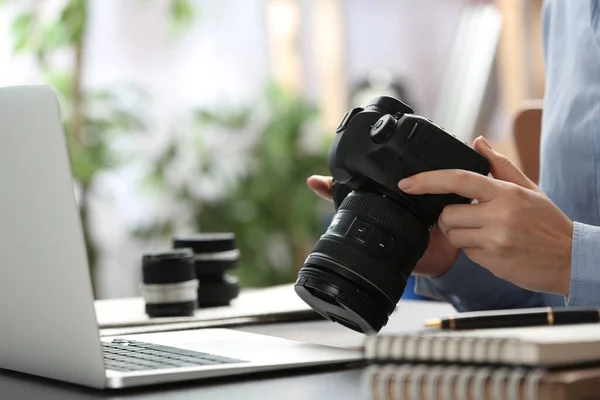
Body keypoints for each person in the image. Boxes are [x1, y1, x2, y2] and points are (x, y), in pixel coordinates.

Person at [307, 0, 600, 312]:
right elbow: (559, 299)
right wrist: (455, 258)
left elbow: (566, 265)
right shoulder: (564, 9)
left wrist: (571, 258)